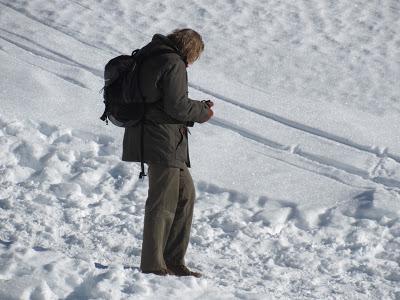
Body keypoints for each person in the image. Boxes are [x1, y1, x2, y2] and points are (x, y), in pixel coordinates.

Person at [122, 29, 214, 277]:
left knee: (185, 196)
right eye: (195, 57)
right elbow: (177, 106)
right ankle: (153, 266)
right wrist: (203, 111)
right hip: (162, 140)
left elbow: (164, 101)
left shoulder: (152, 55)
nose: (192, 63)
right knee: (162, 203)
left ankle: (173, 260)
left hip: (159, 138)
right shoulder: (172, 62)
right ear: (190, 50)